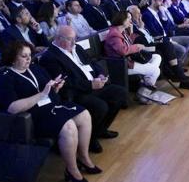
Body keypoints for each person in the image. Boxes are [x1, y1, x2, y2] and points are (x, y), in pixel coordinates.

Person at [0, 41, 101, 182]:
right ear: (12, 58)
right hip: (33, 116)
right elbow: (12, 108)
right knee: (69, 127)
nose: (28, 59)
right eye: (23, 56)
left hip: (52, 106)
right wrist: (42, 94)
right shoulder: (5, 77)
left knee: (84, 115)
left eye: (30, 55)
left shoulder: (35, 68)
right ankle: (72, 171)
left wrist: (55, 87)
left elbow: (47, 89)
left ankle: (84, 158)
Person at [39, 25, 129, 154]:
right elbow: (66, 82)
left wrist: (101, 74)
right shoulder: (49, 58)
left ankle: (100, 130)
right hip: (76, 92)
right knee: (100, 106)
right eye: (70, 39)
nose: (74, 42)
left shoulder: (77, 47)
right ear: (58, 39)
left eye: (75, 38)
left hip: (94, 84)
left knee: (120, 93)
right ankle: (90, 139)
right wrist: (90, 85)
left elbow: (92, 63)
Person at [104, 11, 162, 100]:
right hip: (123, 65)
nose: (130, 21)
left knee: (157, 57)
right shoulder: (114, 34)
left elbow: (128, 43)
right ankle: (143, 95)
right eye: (129, 18)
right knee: (155, 70)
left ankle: (145, 84)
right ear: (121, 19)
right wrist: (137, 46)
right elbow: (123, 50)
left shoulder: (121, 31)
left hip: (130, 59)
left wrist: (130, 33)